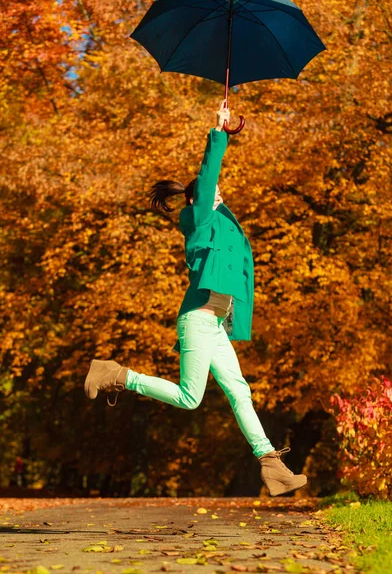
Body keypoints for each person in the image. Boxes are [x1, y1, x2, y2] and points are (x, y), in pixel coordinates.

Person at [84, 101, 307, 497]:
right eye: (212, 191)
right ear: (197, 200)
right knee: (191, 398)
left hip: (215, 325)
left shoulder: (220, 225)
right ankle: (116, 375)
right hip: (198, 320)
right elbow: (206, 181)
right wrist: (218, 133)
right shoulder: (197, 220)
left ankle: (272, 466)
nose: (219, 192)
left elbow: (236, 245)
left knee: (240, 392)